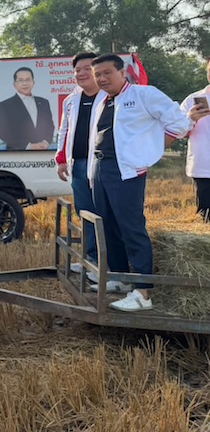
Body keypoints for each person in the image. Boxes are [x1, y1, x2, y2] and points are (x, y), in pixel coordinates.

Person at [87, 54, 190, 312]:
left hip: (127, 172)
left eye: (107, 73)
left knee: (131, 227)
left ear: (123, 73)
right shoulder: (104, 101)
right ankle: (121, 278)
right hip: (102, 168)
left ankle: (143, 292)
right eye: (97, 74)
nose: (101, 78)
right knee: (109, 225)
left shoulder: (145, 95)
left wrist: (147, 155)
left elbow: (179, 124)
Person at [55, 52, 107, 276]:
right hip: (78, 165)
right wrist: (60, 159)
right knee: (85, 213)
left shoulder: (109, 98)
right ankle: (91, 261)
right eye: (77, 70)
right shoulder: (71, 100)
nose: (82, 73)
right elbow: (63, 131)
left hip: (103, 165)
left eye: (87, 68)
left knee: (104, 214)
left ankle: (108, 264)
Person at [180, 57, 210, 222]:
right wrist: (190, 118)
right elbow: (177, 132)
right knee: (205, 218)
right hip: (204, 167)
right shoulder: (192, 100)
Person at [0, 67, 55, 150]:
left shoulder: (44, 102)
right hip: (16, 155)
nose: (25, 83)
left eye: (28, 79)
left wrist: (46, 142)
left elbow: (50, 126)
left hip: (43, 154)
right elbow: (4, 133)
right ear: (14, 84)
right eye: (20, 80)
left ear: (33, 82)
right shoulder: (5, 105)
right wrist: (29, 146)